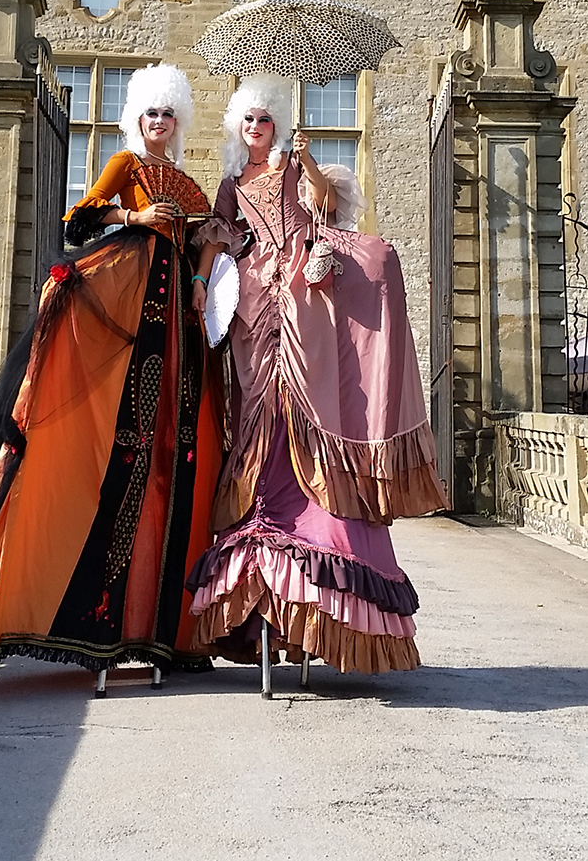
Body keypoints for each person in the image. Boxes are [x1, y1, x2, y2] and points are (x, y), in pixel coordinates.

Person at [0, 64, 223, 677]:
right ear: (137, 119)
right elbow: (78, 222)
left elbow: (207, 239)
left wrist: (203, 272)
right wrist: (135, 219)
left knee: (175, 457)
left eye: (169, 114)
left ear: (179, 120)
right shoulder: (126, 166)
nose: (160, 122)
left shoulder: (188, 184)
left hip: (179, 324)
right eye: (151, 113)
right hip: (136, 315)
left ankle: (161, 629)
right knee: (129, 449)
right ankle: (101, 619)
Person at [188, 75, 449, 675]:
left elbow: (325, 205)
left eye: (265, 119)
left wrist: (305, 160)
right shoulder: (231, 183)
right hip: (253, 298)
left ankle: (311, 509)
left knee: (305, 401)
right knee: (255, 406)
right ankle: (260, 510)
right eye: (249, 120)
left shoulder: (292, 168)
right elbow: (217, 242)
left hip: (302, 294)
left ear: (276, 124)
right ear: (238, 127)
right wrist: (201, 282)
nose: (257, 129)